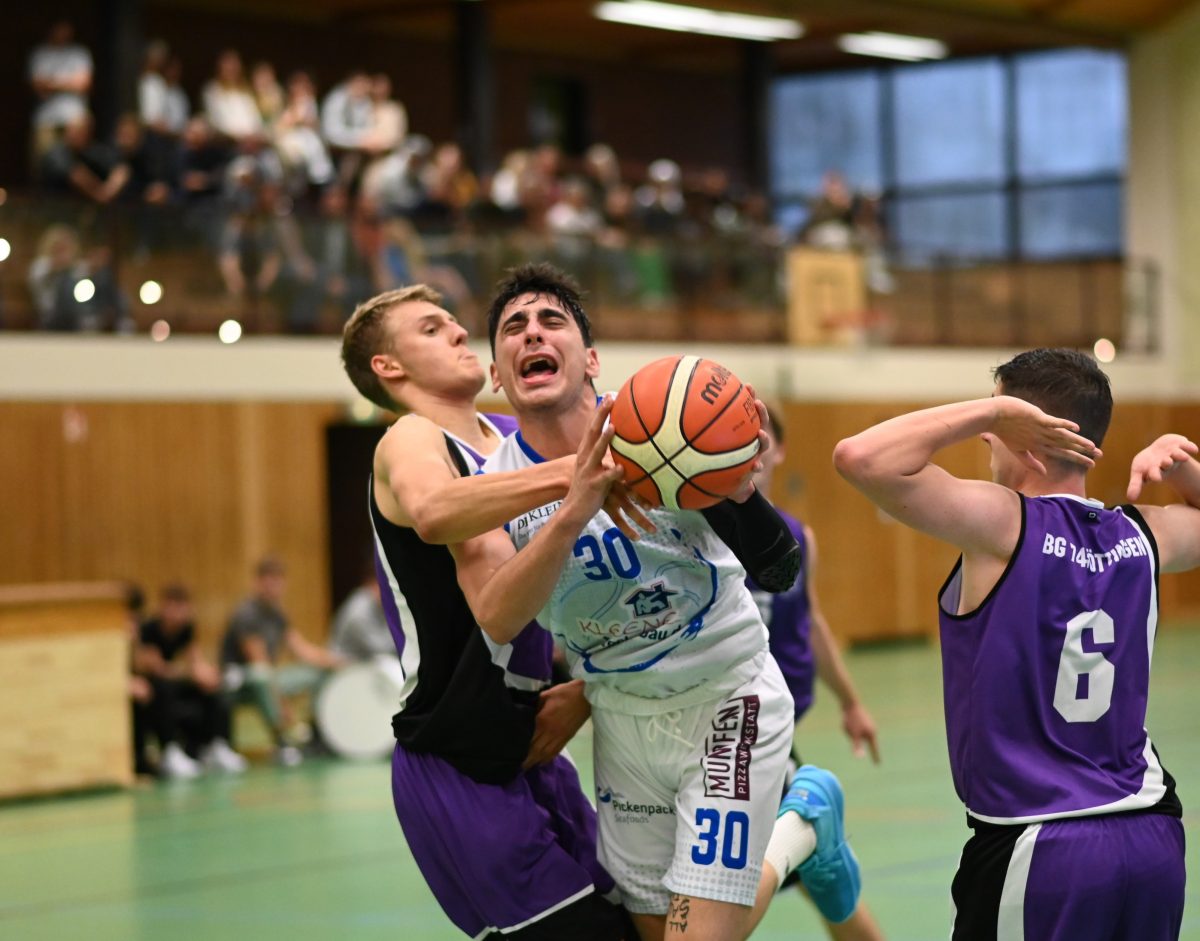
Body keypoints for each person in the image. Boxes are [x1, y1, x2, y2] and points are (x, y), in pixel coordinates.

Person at [452, 263, 863, 941]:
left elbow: (781, 569)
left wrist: (738, 492)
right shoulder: (496, 486)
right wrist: (573, 505)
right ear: (498, 372)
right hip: (623, 719)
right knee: (657, 930)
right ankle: (804, 827)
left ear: (589, 360)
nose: (532, 334)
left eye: (551, 320)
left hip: (726, 698)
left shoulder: (664, 433)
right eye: (513, 328)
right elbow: (498, 615)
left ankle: (800, 827)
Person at [833, 348, 1193, 941]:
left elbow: (859, 456)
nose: (987, 443)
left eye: (997, 433)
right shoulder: (1144, 533)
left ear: (1024, 437)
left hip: (1042, 843)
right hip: (1153, 838)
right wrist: (1182, 468)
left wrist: (992, 411)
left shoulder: (1005, 524)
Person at [341, 283, 645, 939]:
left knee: (645, 923)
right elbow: (435, 511)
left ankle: (794, 835)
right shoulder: (410, 439)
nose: (456, 332)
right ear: (388, 368)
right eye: (430, 328)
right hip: (455, 756)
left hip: (530, 744)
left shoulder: (510, 437)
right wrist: (579, 472)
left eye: (455, 322)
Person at [751, 411, 885, 941]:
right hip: (726, 730)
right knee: (815, 871)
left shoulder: (796, 536)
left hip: (766, 734)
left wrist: (851, 701)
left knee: (819, 877)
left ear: (780, 451)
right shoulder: (696, 527)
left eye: (760, 440)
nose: (750, 452)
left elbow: (809, 622)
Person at [219, 556, 344, 766]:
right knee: (262, 677)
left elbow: (301, 649)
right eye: (268, 580)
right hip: (239, 680)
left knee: (317, 674)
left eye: (278, 580)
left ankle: (316, 733)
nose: (273, 586)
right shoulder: (247, 614)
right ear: (257, 582)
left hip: (269, 675)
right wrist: (280, 701)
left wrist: (336, 663)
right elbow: (258, 661)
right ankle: (282, 741)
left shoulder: (278, 614)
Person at [139, 584, 247, 776]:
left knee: (211, 690)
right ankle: (169, 752)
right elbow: (156, 668)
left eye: (182, 608)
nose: (177, 614)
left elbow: (195, 660)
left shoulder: (187, 629)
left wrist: (209, 675)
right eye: (173, 607)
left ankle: (216, 746)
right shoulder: (149, 629)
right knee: (164, 688)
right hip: (153, 686)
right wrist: (189, 673)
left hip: (174, 681)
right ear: (163, 607)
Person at [329, 565, 394, 662]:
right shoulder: (359, 610)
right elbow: (381, 648)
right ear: (374, 584)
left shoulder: (377, 604)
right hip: (342, 665)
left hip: (364, 662)